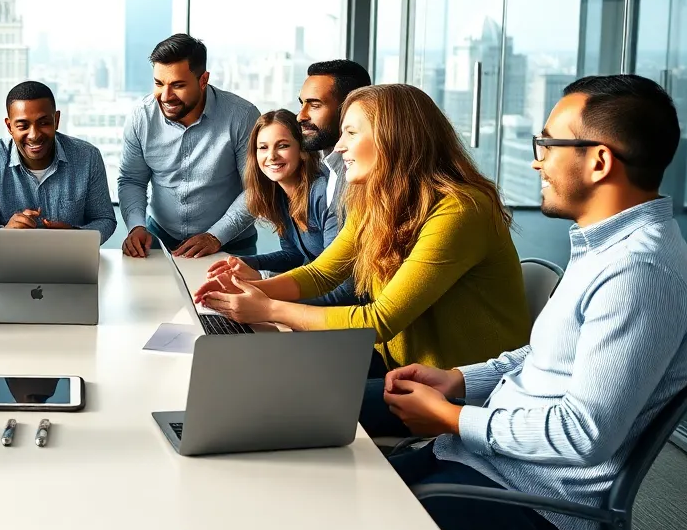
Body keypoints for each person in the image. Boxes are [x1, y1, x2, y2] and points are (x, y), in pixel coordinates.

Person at [383, 75, 687, 530]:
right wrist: (460, 381)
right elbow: (543, 357)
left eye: (549, 144)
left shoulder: (639, 272)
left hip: (540, 514)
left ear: (599, 161)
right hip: (486, 467)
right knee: (334, 491)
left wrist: (450, 418)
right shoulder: (603, 248)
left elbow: (584, 435)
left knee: (346, 522)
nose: (538, 161)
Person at [195, 83, 529, 436]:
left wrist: (268, 308)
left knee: (282, 404)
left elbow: (380, 320)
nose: (339, 146)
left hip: (457, 389)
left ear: (393, 138)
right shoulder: (374, 200)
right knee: (264, 377)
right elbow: (322, 273)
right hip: (393, 364)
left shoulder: (461, 210)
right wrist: (250, 291)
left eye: (351, 133)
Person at [119, 34, 260, 259]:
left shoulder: (242, 116)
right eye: (159, 84)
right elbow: (131, 180)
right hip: (159, 240)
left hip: (231, 243)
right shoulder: (141, 118)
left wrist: (215, 236)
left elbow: (256, 188)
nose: (166, 96)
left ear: (203, 80)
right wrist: (136, 226)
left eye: (178, 85)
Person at [208, 109, 355, 306]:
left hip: (350, 310)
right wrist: (242, 263)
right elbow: (293, 256)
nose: (271, 156)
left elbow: (342, 290)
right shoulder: (278, 195)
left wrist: (261, 285)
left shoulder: (324, 193)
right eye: (263, 147)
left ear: (303, 151)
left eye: (283, 146)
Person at [0, 81, 116, 253]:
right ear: (9, 126)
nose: (34, 135)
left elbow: (105, 220)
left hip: (68, 259)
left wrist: (75, 235)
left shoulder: (88, 157)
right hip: (10, 261)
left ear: (56, 120)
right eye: (23, 126)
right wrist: (3, 234)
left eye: (43, 123)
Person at [296, 59, 372, 212]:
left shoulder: (363, 173)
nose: (300, 116)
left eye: (315, 105)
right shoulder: (322, 165)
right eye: (301, 104)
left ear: (349, 107)